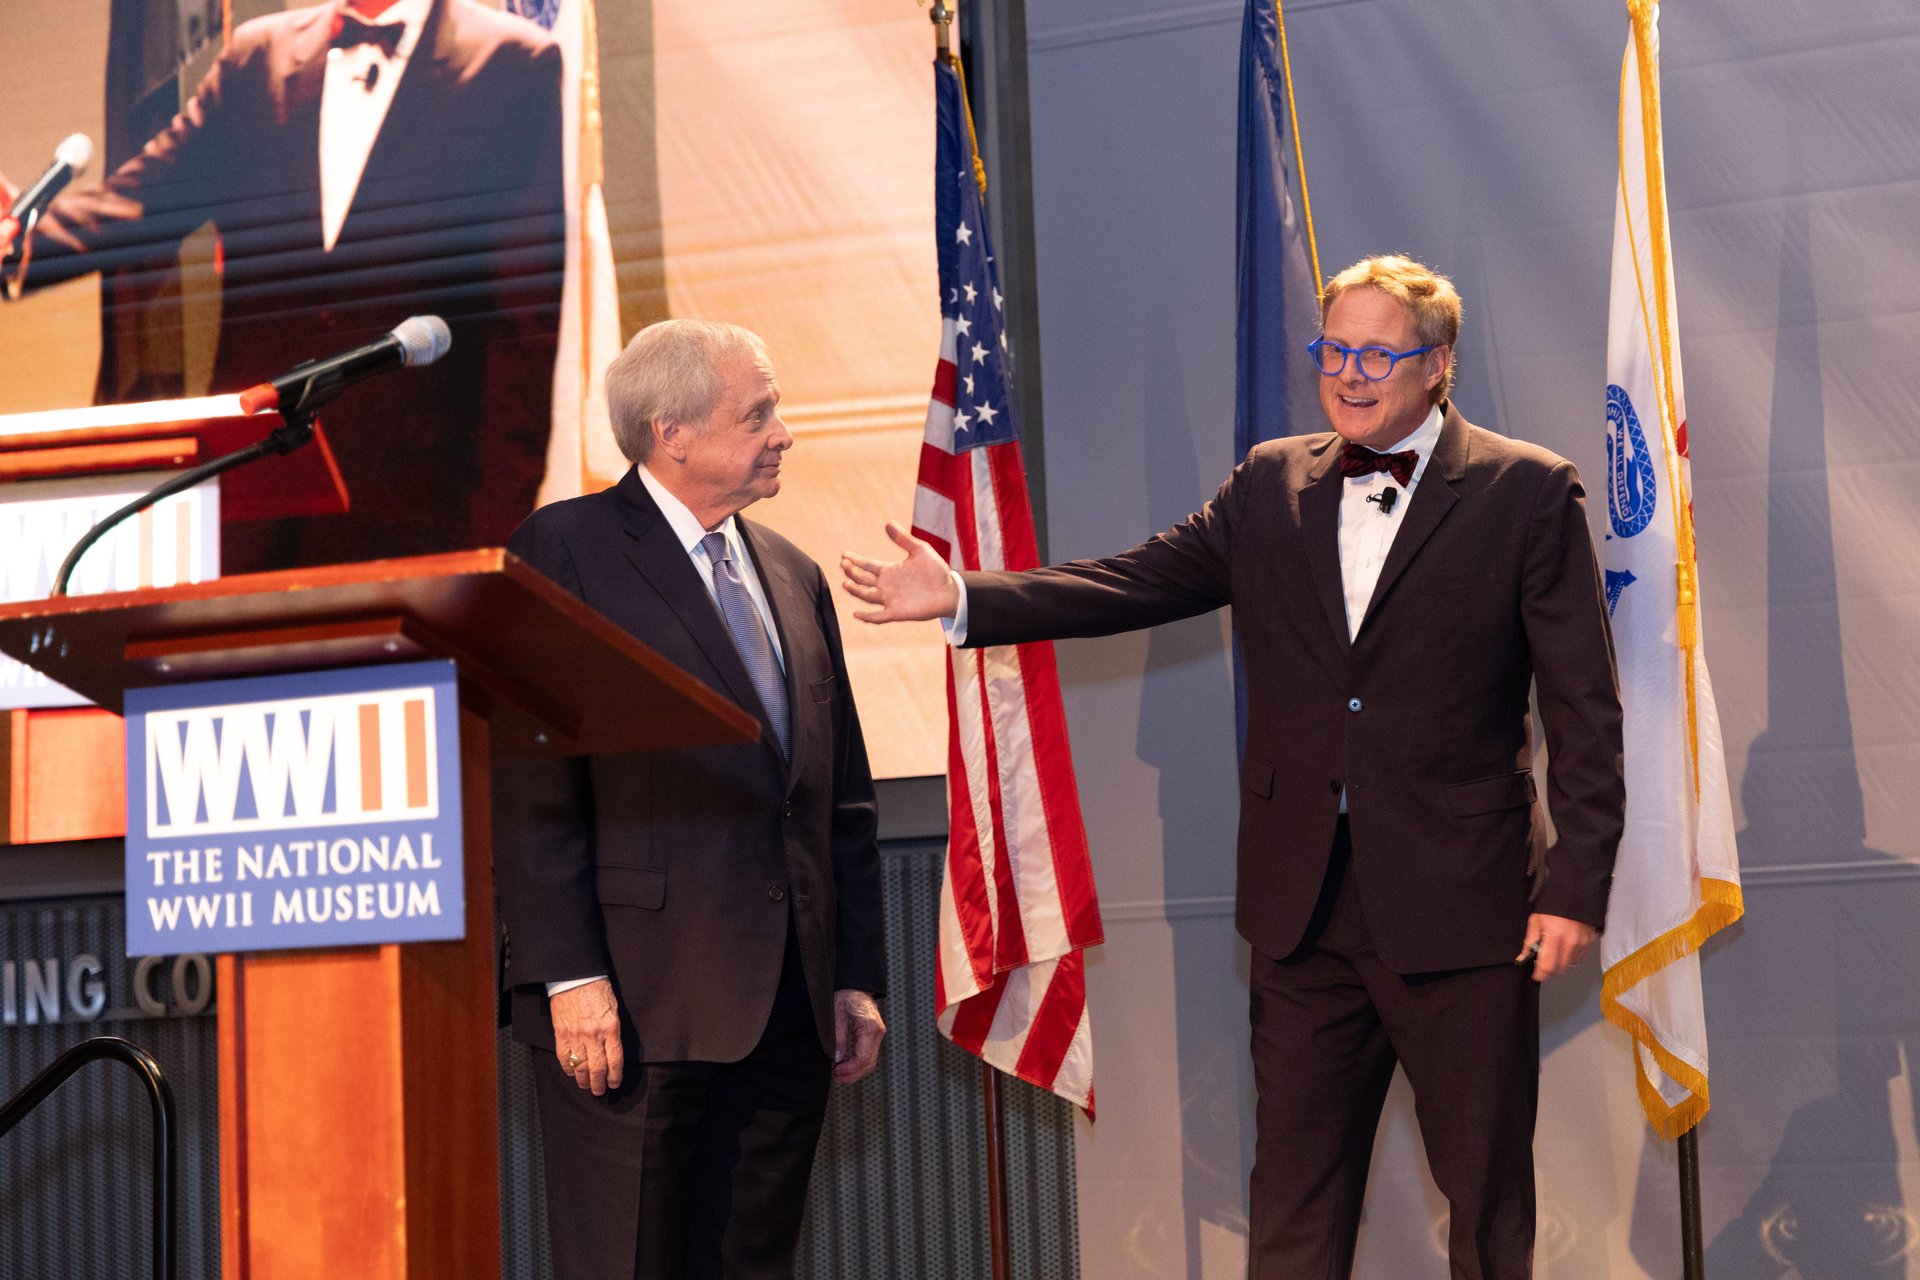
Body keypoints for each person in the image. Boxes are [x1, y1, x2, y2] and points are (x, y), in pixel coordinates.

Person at [842, 255, 1624, 1279]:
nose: (1347, 373)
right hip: (1302, 914)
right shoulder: (1271, 482)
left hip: (1463, 907)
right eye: (1332, 349)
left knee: (1485, 1205)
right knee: (1293, 1206)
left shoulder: (1527, 489)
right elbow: (1129, 582)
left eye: (1375, 354)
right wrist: (963, 598)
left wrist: (1575, 885)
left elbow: (1585, 706)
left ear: (1436, 366)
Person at [494, 319, 887, 1280]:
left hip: (788, 1017)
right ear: (672, 433)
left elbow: (840, 798)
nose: (784, 432)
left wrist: (851, 975)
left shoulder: (792, 574)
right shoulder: (566, 548)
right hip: (633, 1008)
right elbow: (531, 785)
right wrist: (568, 975)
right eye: (759, 415)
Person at [7, 0, 564, 571]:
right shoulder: (257, 56)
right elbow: (145, 200)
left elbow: (521, 325)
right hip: (253, 493)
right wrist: (20, 240)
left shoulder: (514, 61)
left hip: (418, 513)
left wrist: (500, 540)